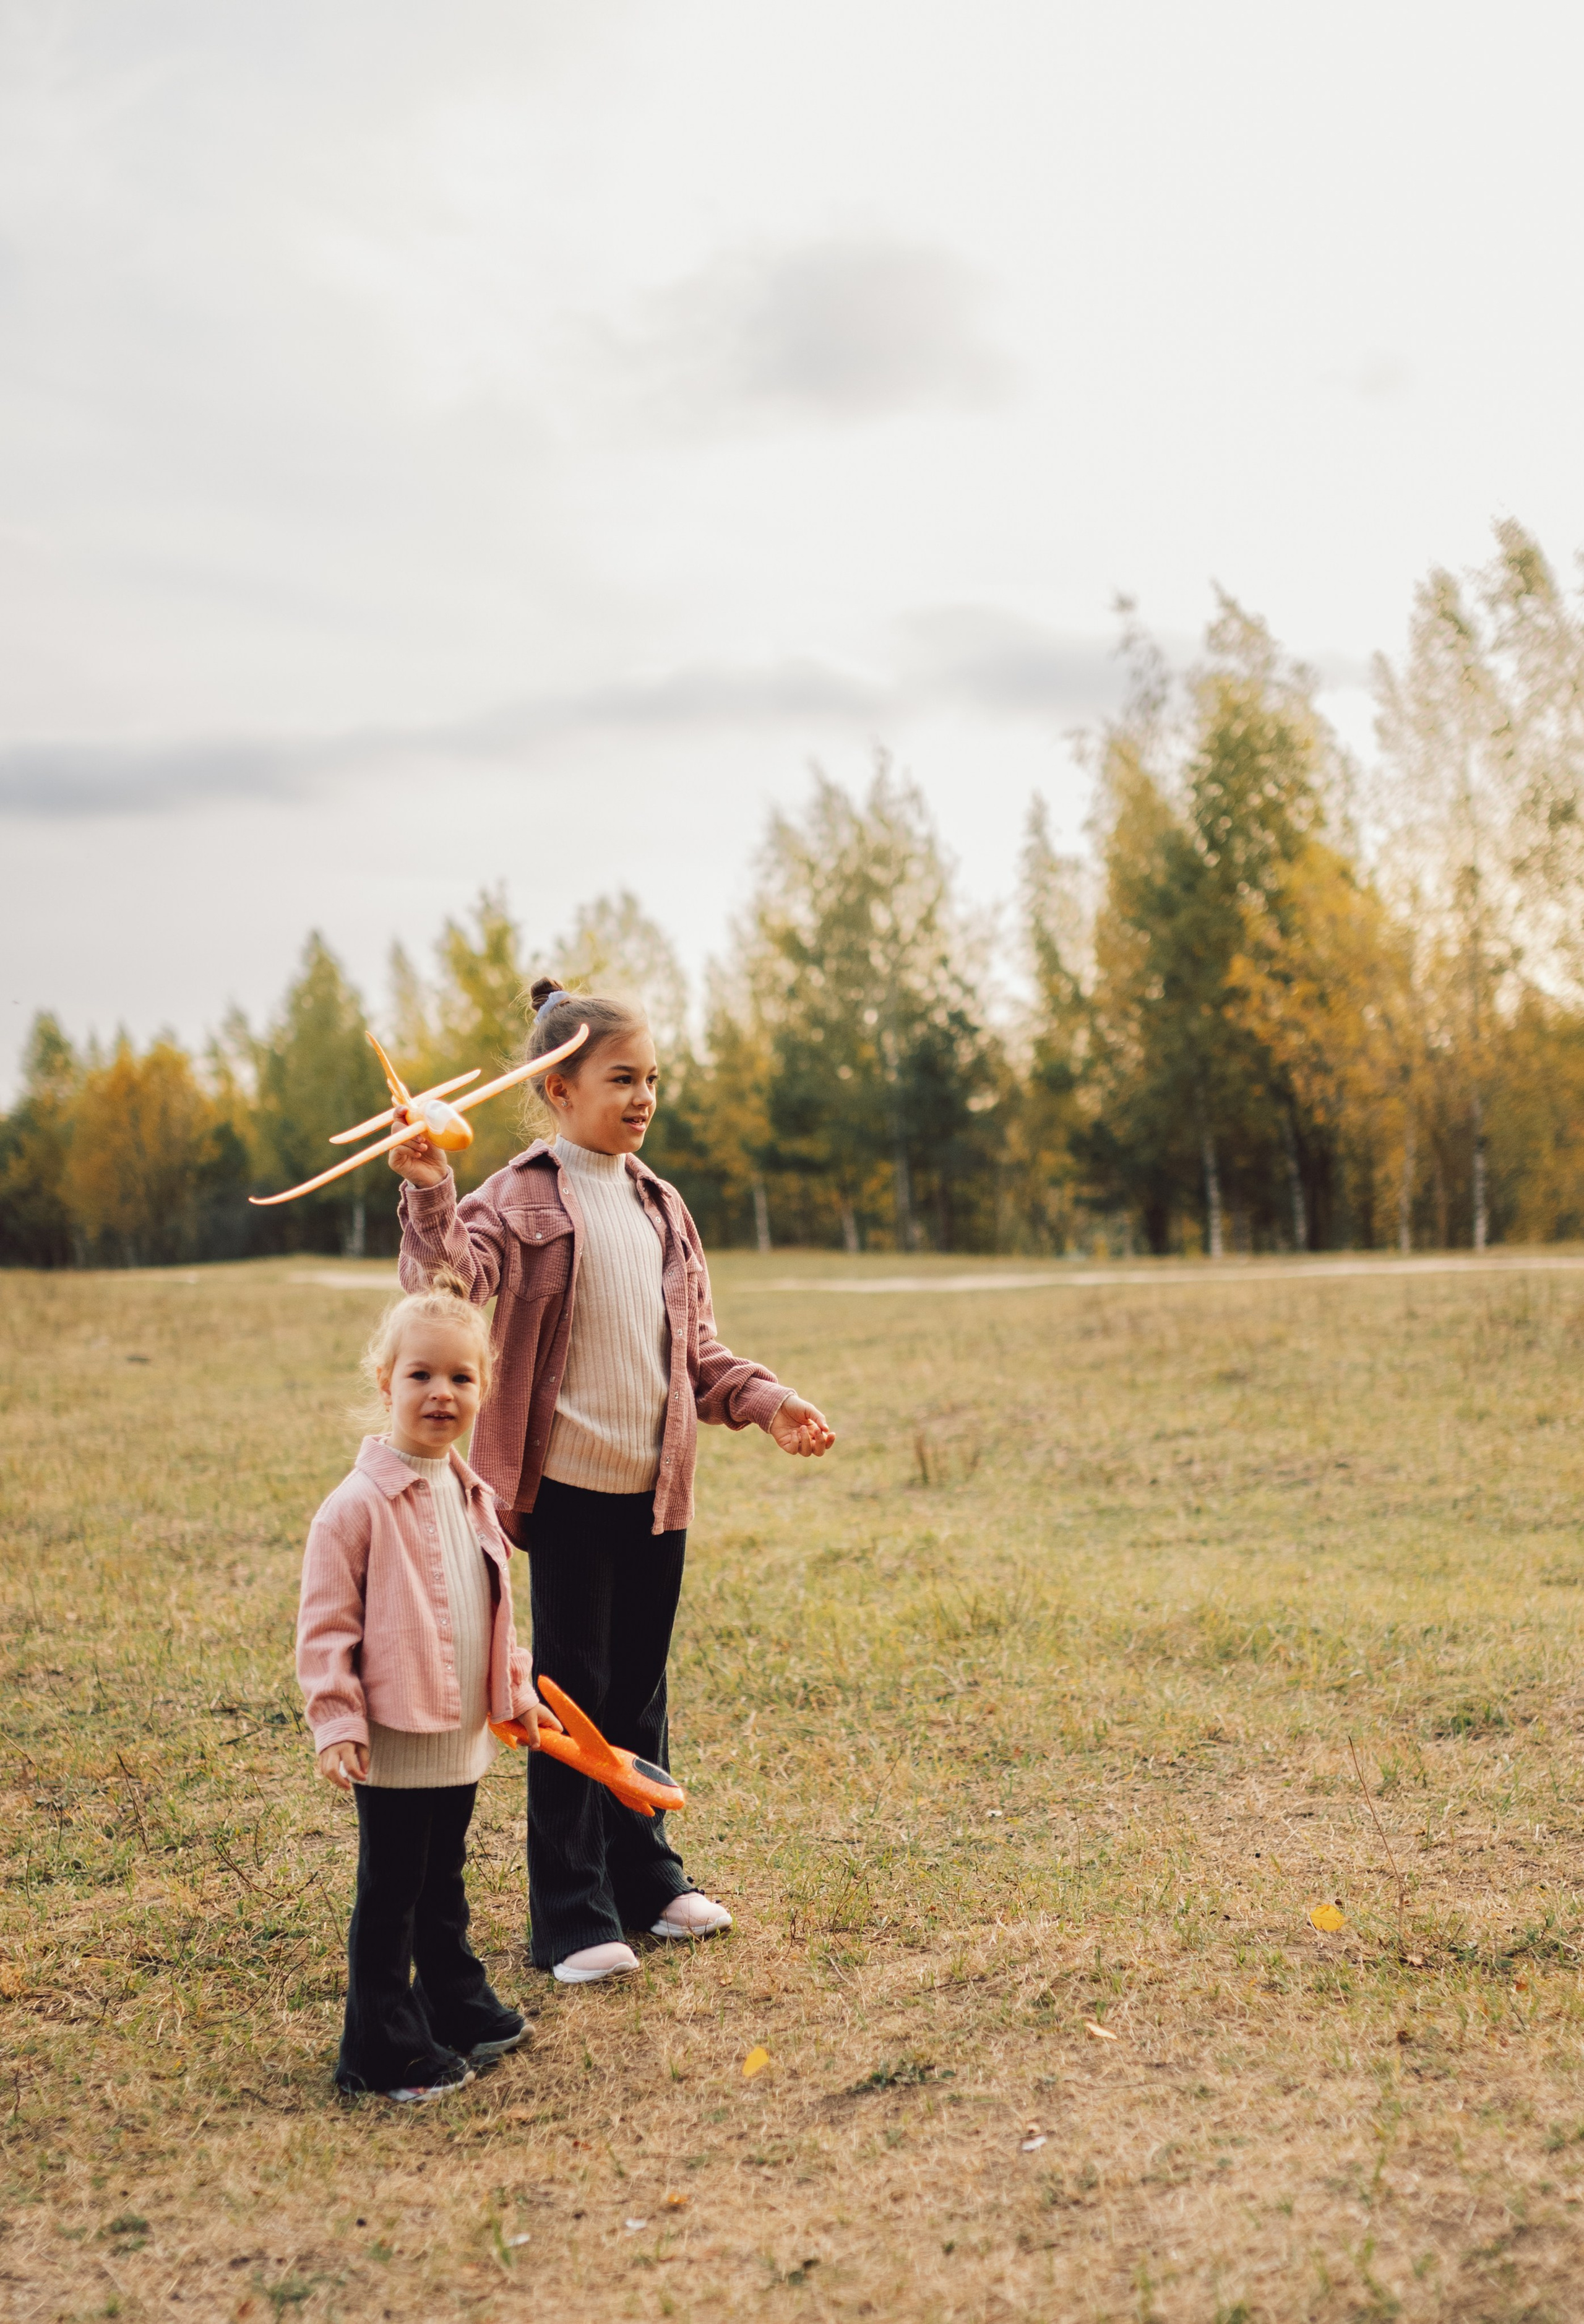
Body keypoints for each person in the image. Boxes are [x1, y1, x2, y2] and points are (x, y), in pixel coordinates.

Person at [390, 977, 835, 1984]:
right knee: (571, 1701)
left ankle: (652, 1879)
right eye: (621, 1079)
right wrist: (425, 1187)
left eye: (653, 1080)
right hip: (568, 1494)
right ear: (558, 1089)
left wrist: (768, 1402)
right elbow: (448, 1284)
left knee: (636, 1695)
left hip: (657, 1490)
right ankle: (573, 1916)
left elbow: (699, 1351)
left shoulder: (663, 1207)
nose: (642, 1098)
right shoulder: (513, 1195)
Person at [296, 1272, 554, 2099]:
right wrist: (337, 1723)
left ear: (484, 1389)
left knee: (443, 1879)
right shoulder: (356, 1507)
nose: (442, 1393)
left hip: (459, 1734)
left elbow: (494, 1608)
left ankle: (453, 2001)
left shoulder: (473, 1494)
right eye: (421, 1375)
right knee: (392, 1893)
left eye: (462, 1378)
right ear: (386, 1383)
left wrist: (515, 1690)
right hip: (398, 1736)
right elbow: (326, 1627)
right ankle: (380, 2048)